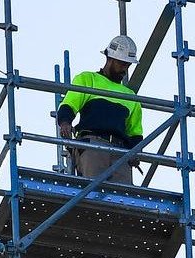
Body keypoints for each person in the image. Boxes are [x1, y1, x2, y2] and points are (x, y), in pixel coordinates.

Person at [57, 35, 143, 183]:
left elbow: (135, 132)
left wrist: (135, 152)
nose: (125, 69)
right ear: (110, 58)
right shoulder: (88, 79)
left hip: (120, 152)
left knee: (122, 199)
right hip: (93, 145)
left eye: (128, 65)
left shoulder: (131, 96)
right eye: (122, 63)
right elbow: (69, 104)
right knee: (93, 193)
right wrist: (65, 122)